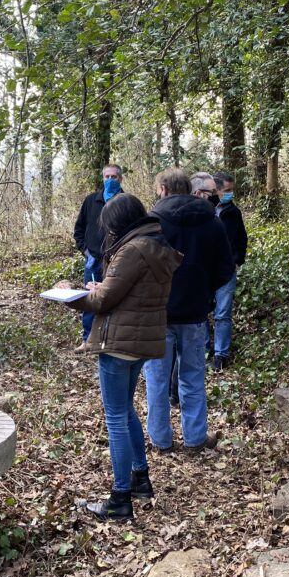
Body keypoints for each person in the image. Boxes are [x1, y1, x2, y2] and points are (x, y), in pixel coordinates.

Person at [67, 194, 183, 520]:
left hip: (119, 342)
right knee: (126, 408)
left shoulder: (131, 250)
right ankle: (140, 478)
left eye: (110, 225)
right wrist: (99, 289)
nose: (109, 231)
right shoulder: (154, 245)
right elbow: (125, 291)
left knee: (115, 417)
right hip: (141, 340)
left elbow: (103, 301)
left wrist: (72, 296)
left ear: (120, 223)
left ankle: (119, 499)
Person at [144, 168, 233, 454]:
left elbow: (140, 268)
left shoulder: (152, 222)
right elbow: (225, 270)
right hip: (195, 312)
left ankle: (161, 440)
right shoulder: (212, 221)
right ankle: (194, 439)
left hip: (159, 313)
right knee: (193, 378)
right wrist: (205, 291)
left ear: (164, 190)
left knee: (157, 380)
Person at [73, 164, 124, 352]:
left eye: (114, 177)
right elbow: (78, 230)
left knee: (116, 299)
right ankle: (87, 340)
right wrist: (86, 253)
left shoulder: (126, 202)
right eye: (107, 176)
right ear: (102, 178)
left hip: (118, 261)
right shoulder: (91, 201)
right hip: (93, 262)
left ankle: (112, 341)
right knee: (90, 299)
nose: (110, 180)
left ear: (121, 179)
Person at [210, 171, 247, 370]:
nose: (230, 194)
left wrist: (237, 260)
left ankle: (220, 355)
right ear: (216, 190)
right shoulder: (204, 209)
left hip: (227, 270)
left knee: (223, 313)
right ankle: (204, 348)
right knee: (202, 310)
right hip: (205, 269)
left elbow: (242, 239)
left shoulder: (234, 212)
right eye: (227, 190)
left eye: (232, 190)